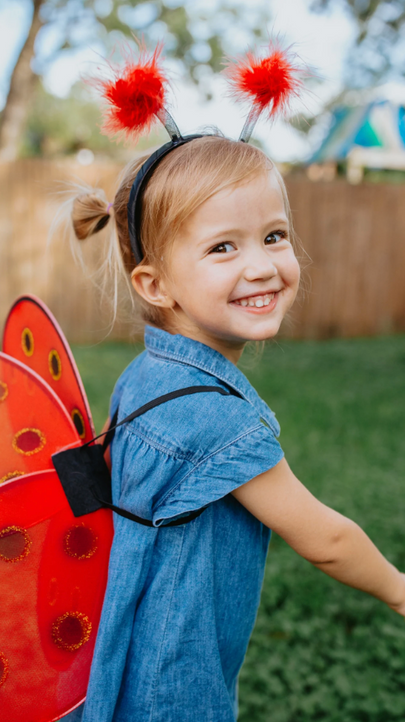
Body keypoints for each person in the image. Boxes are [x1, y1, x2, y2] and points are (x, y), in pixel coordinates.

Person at [61, 133, 405, 722]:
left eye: (274, 236)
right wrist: (399, 589)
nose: (262, 265)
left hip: (120, 654)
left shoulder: (145, 374)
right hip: (174, 680)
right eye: (223, 247)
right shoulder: (220, 420)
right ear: (155, 284)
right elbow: (326, 540)